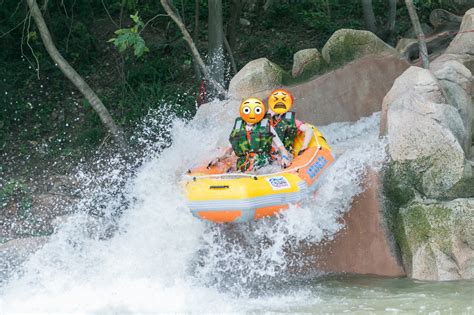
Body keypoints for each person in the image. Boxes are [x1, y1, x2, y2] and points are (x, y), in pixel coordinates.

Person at [212, 97, 292, 172]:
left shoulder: (268, 127)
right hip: (243, 165)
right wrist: (218, 159)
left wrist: (285, 158)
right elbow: (228, 151)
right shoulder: (238, 129)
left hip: (263, 164)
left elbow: (282, 149)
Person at [267, 89, 313, 156]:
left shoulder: (290, 121)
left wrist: (304, 146)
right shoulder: (263, 119)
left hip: (284, 154)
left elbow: (309, 129)